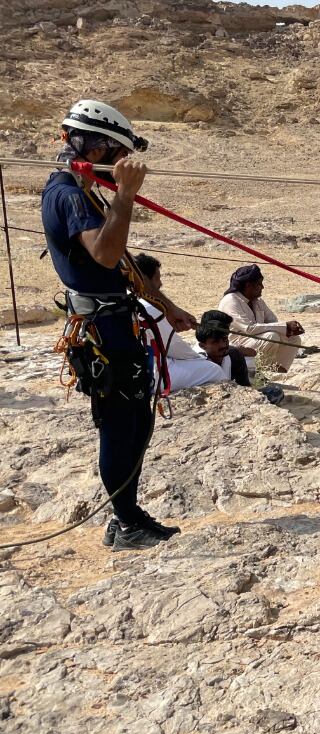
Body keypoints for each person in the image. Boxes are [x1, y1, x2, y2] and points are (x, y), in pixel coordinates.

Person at [41, 99, 197, 551]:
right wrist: (125, 194)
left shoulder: (83, 190)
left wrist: (166, 305)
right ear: (95, 148)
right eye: (117, 154)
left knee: (137, 421)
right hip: (103, 332)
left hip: (115, 323)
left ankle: (126, 515)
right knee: (120, 425)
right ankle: (126, 521)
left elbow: (123, 265)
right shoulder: (68, 195)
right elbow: (107, 255)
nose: (121, 163)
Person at [133, 254, 254, 391]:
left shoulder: (129, 301)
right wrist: (199, 359)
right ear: (145, 280)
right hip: (150, 373)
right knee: (213, 370)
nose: (160, 284)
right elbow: (175, 348)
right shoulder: (148, 307)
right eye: (157, 278)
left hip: (140, 368)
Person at [217, 264, 305, 372]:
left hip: (253, 339)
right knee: (271, 337)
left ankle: (277, 372)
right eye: (259, 284)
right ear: (249, 285)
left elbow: (273, 321)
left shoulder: (257, 301)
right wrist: (285, 326)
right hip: (235, 343)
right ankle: (260, 371)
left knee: (294, 339)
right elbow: (249, 328)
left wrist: (288, 330)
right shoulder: (230, 301)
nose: (262, 287)